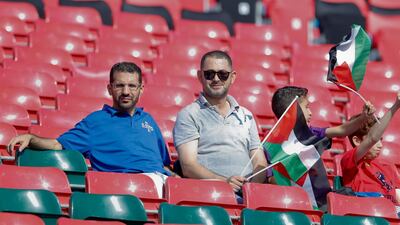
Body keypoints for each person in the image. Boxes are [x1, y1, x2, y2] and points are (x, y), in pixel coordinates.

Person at [7, 62, 176, 197]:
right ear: (110, 88)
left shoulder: (148, 120)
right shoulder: (96, 121)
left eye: (132, 86)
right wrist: (31, 138)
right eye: (120, 86)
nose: (126, 92)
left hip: (164, 184)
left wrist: (178, 180)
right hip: (129, 189)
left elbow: (162, 165)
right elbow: (58, 145)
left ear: (141, 89)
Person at [173, 50, 268, 193]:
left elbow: (259, 162)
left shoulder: (246, 115)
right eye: (209, 74)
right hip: (210, 194)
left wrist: (251, 188)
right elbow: (189, 166)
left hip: (249, 194)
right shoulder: (188, 114)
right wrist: (225, 183)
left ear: (232, 77)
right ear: (200, 76)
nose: (216, 79)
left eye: (223, 74)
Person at [270, 86, 375, 208]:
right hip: (292, 205)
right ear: (292, 110)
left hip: (321, 204)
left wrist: (363, 117)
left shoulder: (311, 134)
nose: (310, 112)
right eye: (306, 107)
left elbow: (342, 130)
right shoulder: (271, 146)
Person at [341, 92, 400, 208]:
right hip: (366, 214)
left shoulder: (387, 166)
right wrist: (396, 106)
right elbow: (372, 138)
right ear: (357, 141)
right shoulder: (350, 162)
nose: (380, 145)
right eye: (376, 141)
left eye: (381, 139)